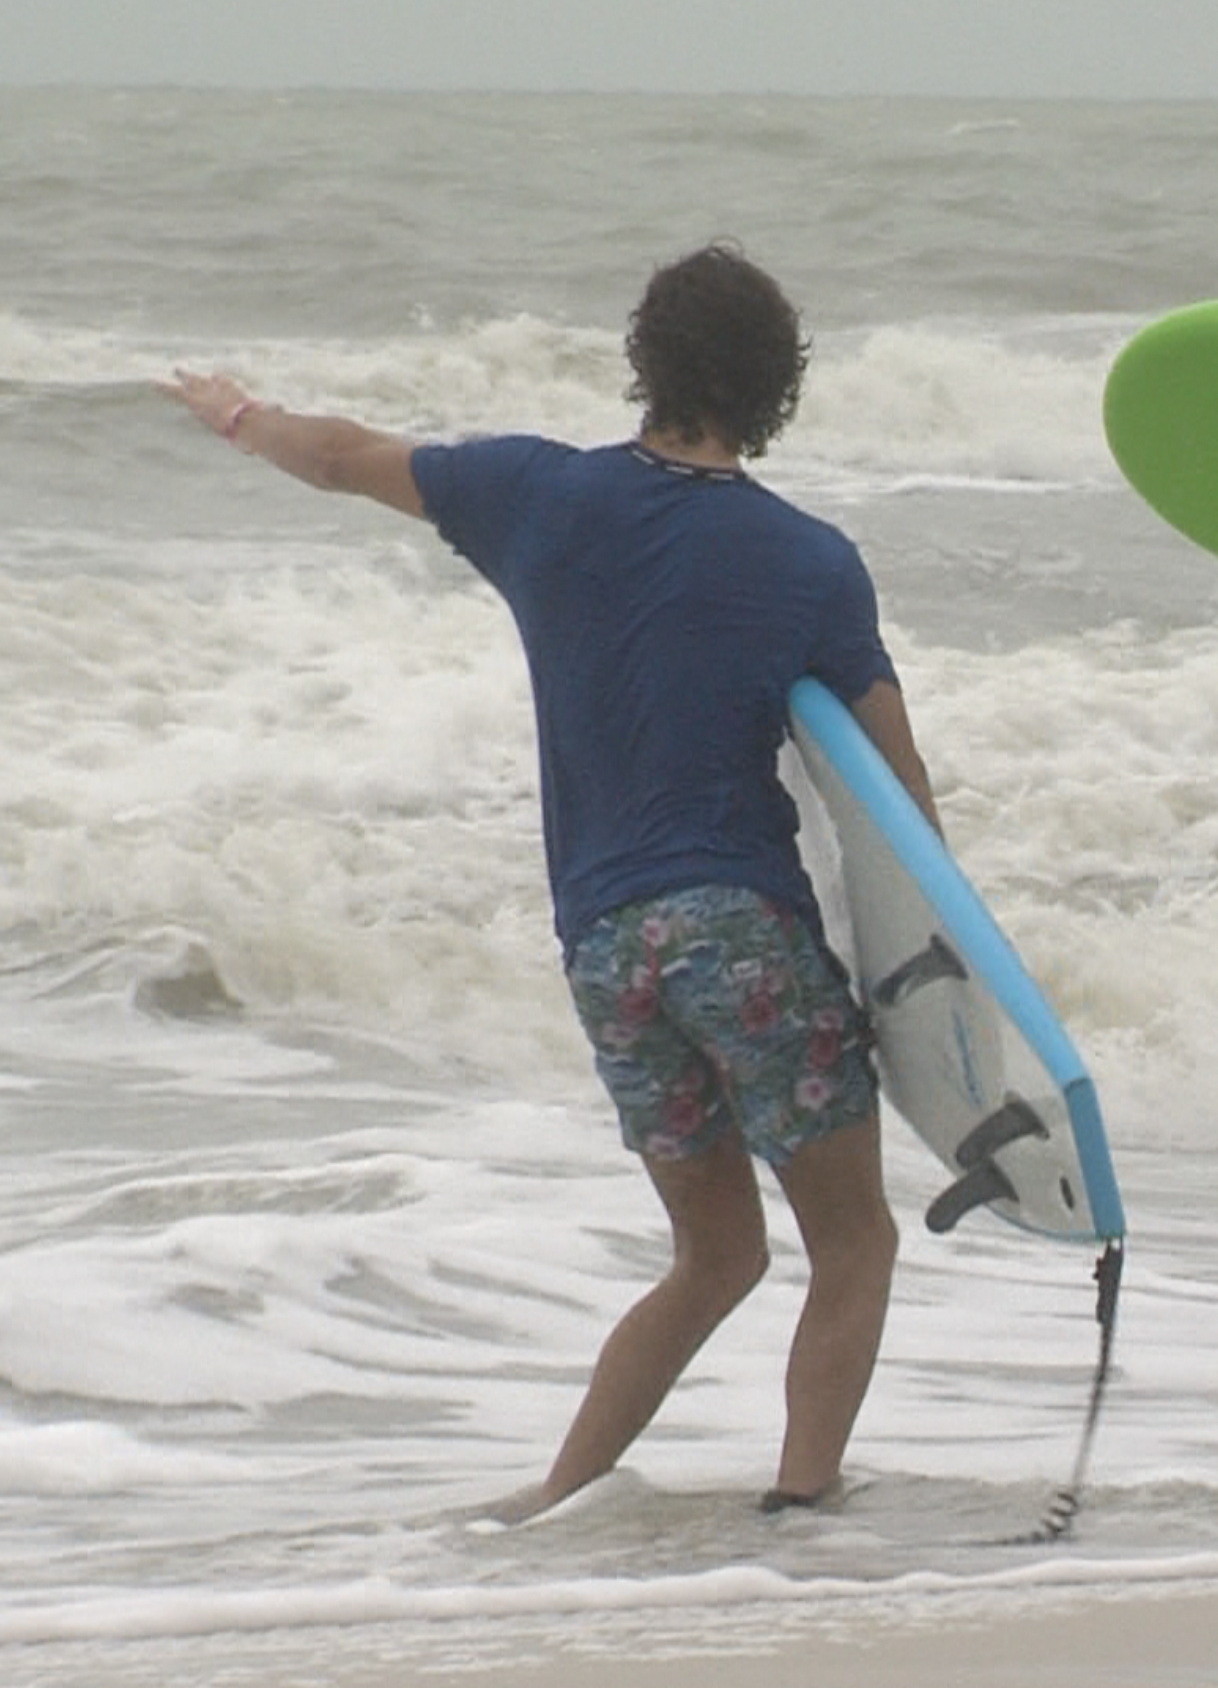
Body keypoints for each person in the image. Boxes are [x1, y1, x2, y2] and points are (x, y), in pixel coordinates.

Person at [162, 242, 929, 1521]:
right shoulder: (811, 564)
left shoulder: (536, 494)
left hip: (606, 947)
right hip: (741, 930)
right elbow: (896, 799)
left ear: (648, 360)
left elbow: (346, 455)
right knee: (852, 1240)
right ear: (775, 384)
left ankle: (559, 1495)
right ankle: (804, 1506)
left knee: (715, 1252)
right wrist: (949, 984)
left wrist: (237, 414)